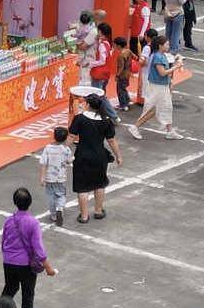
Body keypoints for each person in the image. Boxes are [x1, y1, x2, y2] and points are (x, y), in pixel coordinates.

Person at [0, 188, 56, 308]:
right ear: (30, 202)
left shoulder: (9, 221)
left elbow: (4, 240)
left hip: (9, 261)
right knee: (28, 293)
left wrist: (7, 255)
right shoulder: (33, 223)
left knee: (9, 289)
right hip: (25, 264)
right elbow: (38, 248)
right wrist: (48, 267)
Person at [67, 94, 117, 222]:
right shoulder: (106, 120)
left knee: (82, 187)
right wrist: (119, 156)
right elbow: (111, 141)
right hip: (100, 156)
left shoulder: (79, 119)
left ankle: (84, 216)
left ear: (88, 105)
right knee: (99, 184)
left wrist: (62, 151)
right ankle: (98, 211)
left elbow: (71, 137)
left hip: (82, 156)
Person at [128, 31, 179, 139]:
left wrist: (169, 82)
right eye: (167, 44)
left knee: (167, 107)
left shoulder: (161, 55)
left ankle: (169, 131)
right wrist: (176, 67)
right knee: (152, 109)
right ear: (160, 46)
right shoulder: (158, 57)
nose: (168, 46)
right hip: (157, 87)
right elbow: (162, 73)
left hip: (162, 86)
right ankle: (135, 126)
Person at [38, 127, 72, 227]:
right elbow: (69, 161)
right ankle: (60, 208)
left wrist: (42, 177)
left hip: (49, 177)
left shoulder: (48, 148)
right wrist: (73, 158)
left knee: (50, 196)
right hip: (60, 177)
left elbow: (43, 163)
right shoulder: (66, 149)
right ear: (65, 138)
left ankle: (53, 214)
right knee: (61, 194)